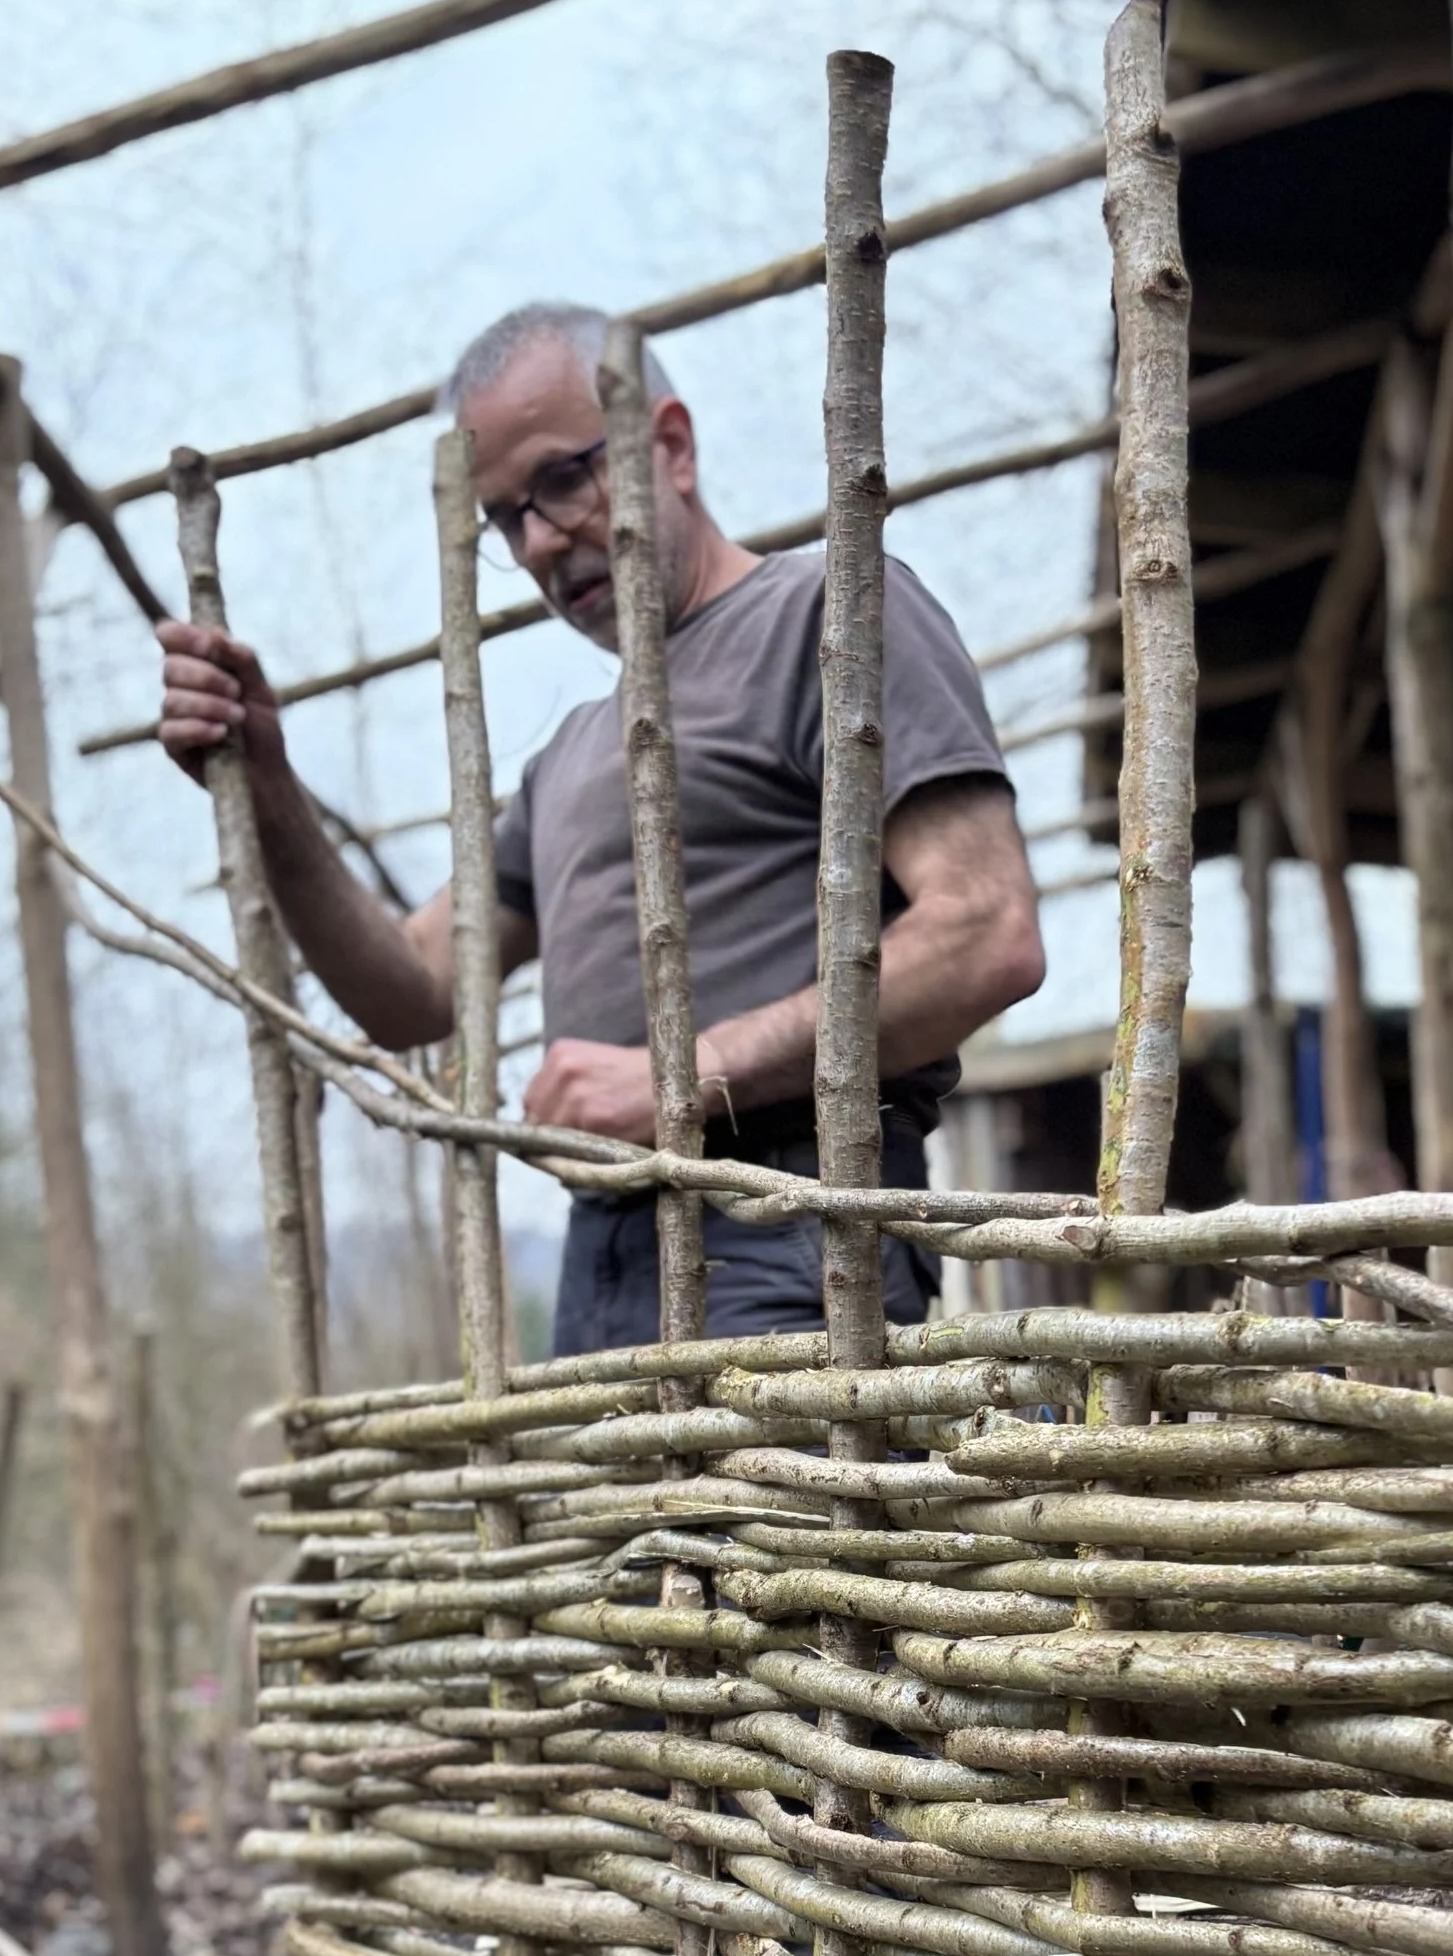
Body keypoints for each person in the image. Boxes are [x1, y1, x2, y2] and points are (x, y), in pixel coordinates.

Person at [156, 300, 1045, 1358]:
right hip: (604, 1254)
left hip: (794, 1216)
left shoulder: (825, 616)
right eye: (503, 519)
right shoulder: (570, 756)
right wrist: (268, 785)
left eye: (561, 481)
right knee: (629, 1530)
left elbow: (986, 932)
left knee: (750, 1525)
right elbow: (411, 986)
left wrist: (684, 1073)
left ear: (667, 444)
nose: (537, 540)